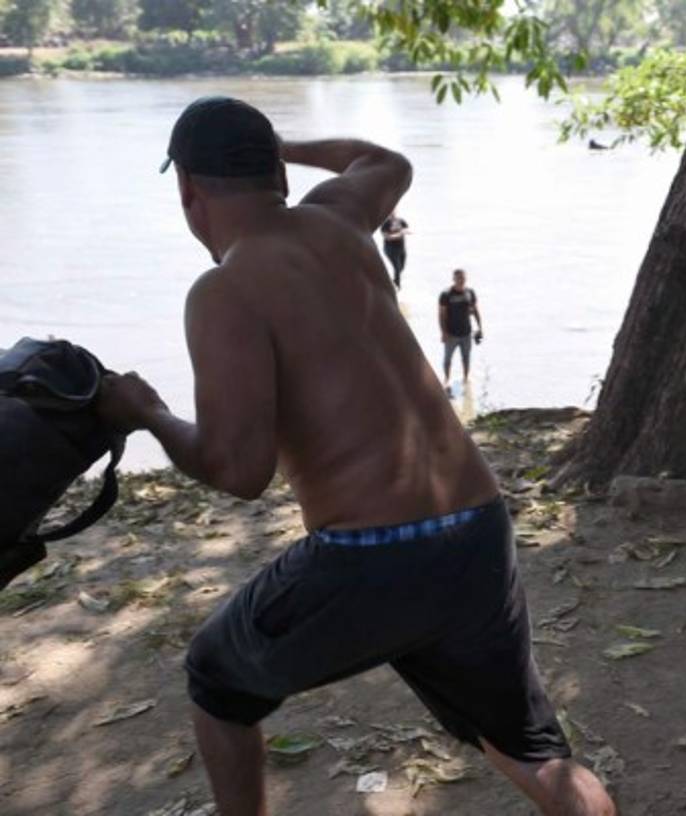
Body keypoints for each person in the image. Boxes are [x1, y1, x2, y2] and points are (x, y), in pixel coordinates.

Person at [96, 96, 615, 816]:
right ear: (275, 165)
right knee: (526, 746)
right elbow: (387, 162)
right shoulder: (337, 219)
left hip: (372, 557)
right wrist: (286, 146)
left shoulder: (223, 290)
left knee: (216, 680)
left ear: (187, 189)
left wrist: (146, 413)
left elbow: (240, 472)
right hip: (476, 526)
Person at [439, 267, 483, 386]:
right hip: (451, 334)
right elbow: (442, 315)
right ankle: (447, 379)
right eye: (458, 278)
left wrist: (480, 328)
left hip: (466, 333)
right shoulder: (446, 294)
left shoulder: (470, 293)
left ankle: (465, 378)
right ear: (453, 279)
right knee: (448, 359)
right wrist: (443, 333)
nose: (461, 280)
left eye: (463, 277)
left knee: (466, 357)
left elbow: (475, 310)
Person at [380, 209, 409, 289]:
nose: (392, 214)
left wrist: (404, 231)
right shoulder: (385, 224)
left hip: (401, 248)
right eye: (390, 213)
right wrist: (399, 234)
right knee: (397, 268)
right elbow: (387, 237)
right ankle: (397, 286)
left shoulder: (401, 221)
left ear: (395, 212)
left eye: (393, 212)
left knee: (401, 267)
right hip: (390, 250)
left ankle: (392, 282)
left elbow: (407, 229)